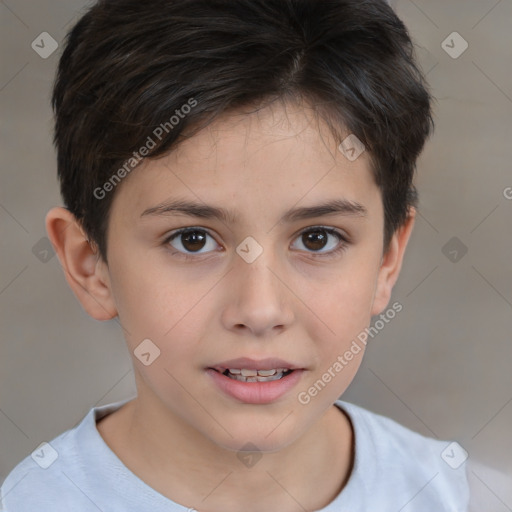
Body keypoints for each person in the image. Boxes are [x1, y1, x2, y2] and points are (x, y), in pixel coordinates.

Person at [1, 0, 472, 510]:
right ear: (90, 266)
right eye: (193, 240)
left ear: (387, 260)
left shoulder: (457, 494)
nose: (260, 310)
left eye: (317, 238)